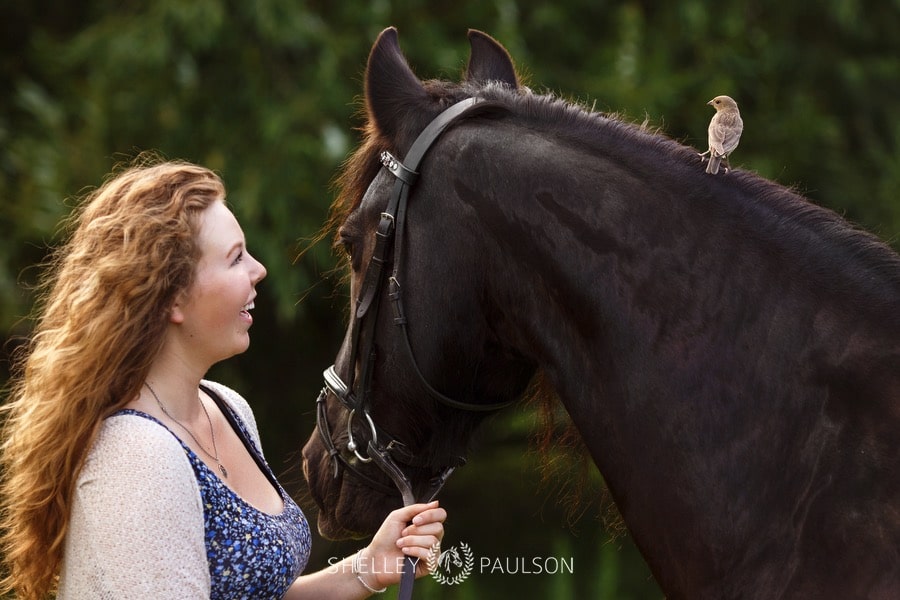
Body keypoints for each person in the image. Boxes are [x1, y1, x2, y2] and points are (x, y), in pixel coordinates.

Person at [0, 157, 445, 599]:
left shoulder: (226, 408)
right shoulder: (136, 459)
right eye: (235, 259)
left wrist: (367, 568)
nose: (259, 270)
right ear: (172, 297)